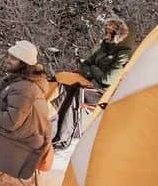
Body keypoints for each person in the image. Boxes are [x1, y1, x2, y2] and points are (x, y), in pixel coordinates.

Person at [0, 40, 53, 179]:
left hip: (19, 144)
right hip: (24, 135)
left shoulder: (24, 88)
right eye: (9, 56)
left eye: (13, 58)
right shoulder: (20, 82)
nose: (7, 60)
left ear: (23, 63)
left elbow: (11, 122)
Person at [54, 17, 132, 148]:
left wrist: (93, 69)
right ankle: (53, 127)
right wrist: (92, 70)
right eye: (107, 29)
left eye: (111, 30)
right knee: (63, 82)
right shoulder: (104, 48)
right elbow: (85, 64)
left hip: (107, 93)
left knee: (75, 94)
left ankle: (64, 136)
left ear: (118, 34)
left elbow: (108, 80)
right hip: (92, 84)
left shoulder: (124, 53)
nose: (107, 32)